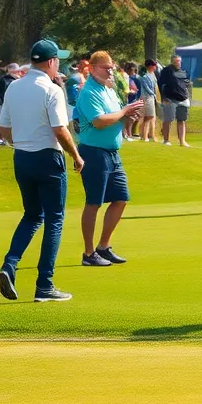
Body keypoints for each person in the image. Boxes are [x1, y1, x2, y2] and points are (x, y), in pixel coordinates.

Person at [0, 39, 83, 303]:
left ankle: (10, 265)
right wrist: (76, 155)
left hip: (22, 158)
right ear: (51, 62)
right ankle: (44, 284)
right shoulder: (52, 90)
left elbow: (4, 129)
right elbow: (60, 129)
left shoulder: (14, 87)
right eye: (58, 60)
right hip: (48, 158)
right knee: (54, 220)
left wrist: (21, 144)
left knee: (32, 216)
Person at [76, 51, 144, 267]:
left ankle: (103, 247)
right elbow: (98, 121)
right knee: (94, 202)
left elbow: (115, 118)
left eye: (111, 67)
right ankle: (88, 254)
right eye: (106, 67)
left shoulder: (109, 90)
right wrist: (124, 111)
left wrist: (128, 117)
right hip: (93, 152)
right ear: (93, 68)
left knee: (121, 198)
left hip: (112, 153)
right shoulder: (88, 92)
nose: (110, 70)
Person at [158, 54, 192, 147]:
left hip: (183, 98)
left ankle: (182, 141)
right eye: (176, 61)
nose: (178, 63)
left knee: (181, 120)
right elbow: (161, 84)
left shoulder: (184, 72)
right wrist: (163, 98)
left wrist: (188, 95)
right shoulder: (167, 71)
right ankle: (166, 140)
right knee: (168, 119)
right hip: (170, 98)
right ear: (172, 61)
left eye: (179, 61)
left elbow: (187, 84)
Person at [136, 59, 159, 142]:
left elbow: (155, 86)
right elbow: (147, 88)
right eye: (154, 65)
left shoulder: (153, 75)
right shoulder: (144, 77)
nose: (155, 67)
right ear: (150, 66)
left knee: (152, 117)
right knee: (148, 116)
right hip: (146, 97)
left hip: (152, 98)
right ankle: (144, 136)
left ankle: (150, 135)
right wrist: (154, 93)